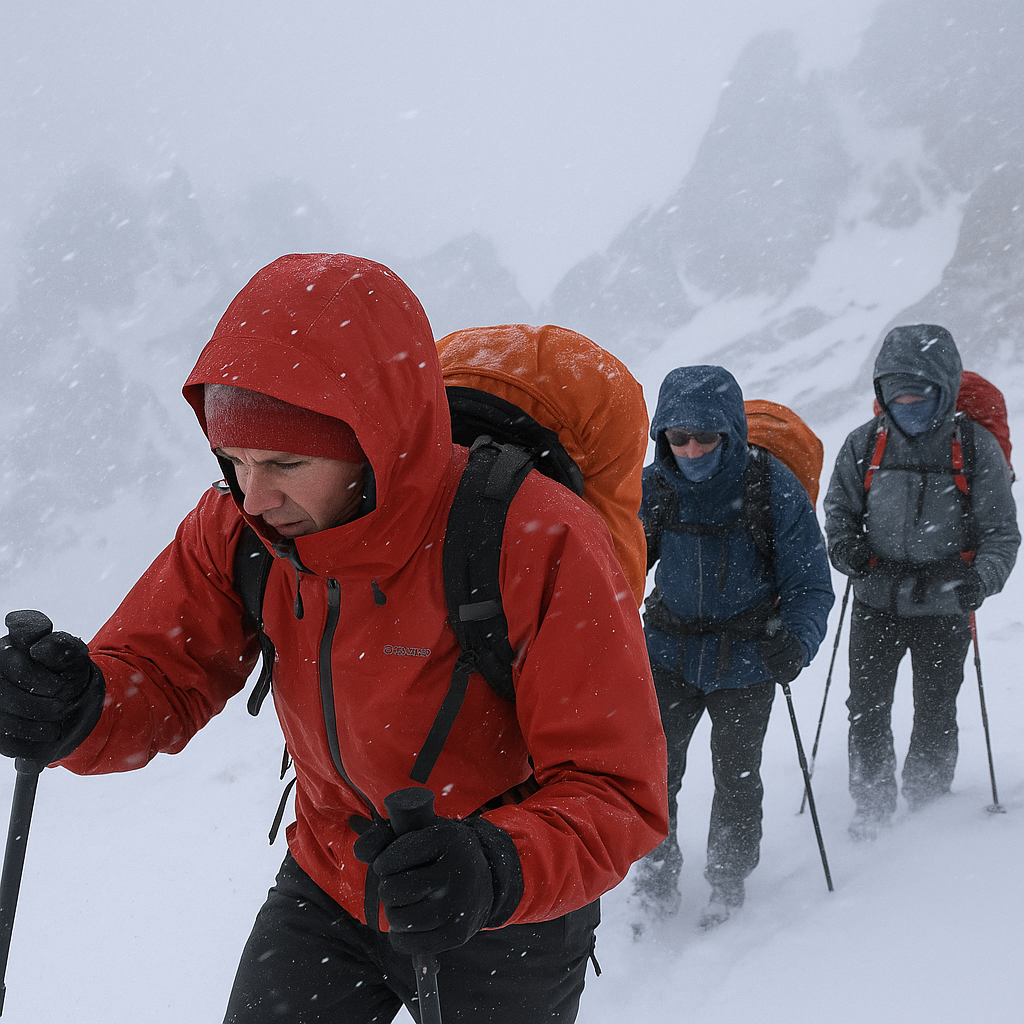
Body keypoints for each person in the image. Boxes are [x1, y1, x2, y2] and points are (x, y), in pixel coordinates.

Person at [0, 253, 668, 1023]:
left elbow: (615, 787)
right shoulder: (240, 527)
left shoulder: (535, 536)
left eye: (286, 462)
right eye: (234, 460)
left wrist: (492, 867)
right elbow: (160, 672)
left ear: (376, 443)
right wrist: (80, 704)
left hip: (494, 911)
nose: (254, 495)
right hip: (329, 881)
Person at [634, 365, 833, 929]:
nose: (691, 450)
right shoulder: (653, 487)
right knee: (653, 777)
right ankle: (654, 886)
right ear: (662, 436)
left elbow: (810, 584)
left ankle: (727, 884)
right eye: (678, 437)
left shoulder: (771, 487)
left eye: (706, 436)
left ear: (730, 432)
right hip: (667, 655)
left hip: (749, 661)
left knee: (737, 779)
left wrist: (797, 642)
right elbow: (617, 566)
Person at [824, 324, 1019, 840]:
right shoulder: (864, 444)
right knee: (867, 711)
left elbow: (1002, 533)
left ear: (945, 388)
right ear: (881, 392)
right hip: (875, 601)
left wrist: (981, 580)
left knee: (935, 710)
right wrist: (846, 549)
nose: (906, 404)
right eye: (896, 393)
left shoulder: (975, 448)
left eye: (918, 393)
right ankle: (872, 809)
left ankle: (927, 809)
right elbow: (839, 511)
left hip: (945, 605)